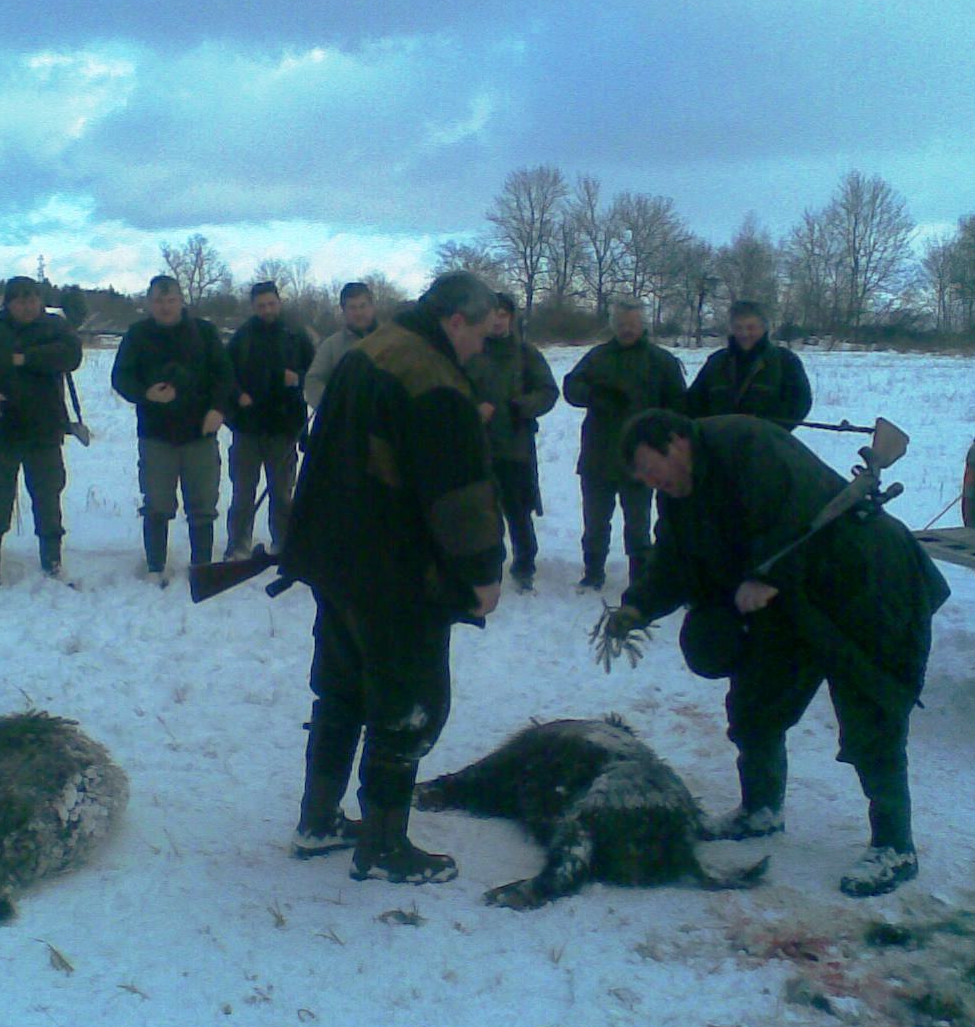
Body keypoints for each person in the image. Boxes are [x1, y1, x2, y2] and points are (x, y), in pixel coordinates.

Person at [604, 408, 949, 897]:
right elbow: (677, 558)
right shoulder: (679, 496)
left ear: (678, 442)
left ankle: (896, 846)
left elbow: (798, 509)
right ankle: (761, 810)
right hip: (794, 596)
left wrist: (766, 576)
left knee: (872, 716)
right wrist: (637, 606)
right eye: (639, 476)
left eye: (648, 467)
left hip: (862, 585)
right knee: (756, 701)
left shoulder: (747, 444)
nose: (647, 481)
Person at [280, 271, 504, 885]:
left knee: (343, 692)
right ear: (456, 320)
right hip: (394, 570)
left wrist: (303, 547)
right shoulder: (431, 377)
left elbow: (321, 446)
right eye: (482, 332)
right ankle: (382, 848)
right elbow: (458, 493)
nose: (483, 346)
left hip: (336, 557)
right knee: (406, 706)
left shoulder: (372, 349)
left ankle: (318, 820)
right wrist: (484, 572)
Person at [0, 277, 83, 582]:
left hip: (46, 428)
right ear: (8, 302)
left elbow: (72, 356)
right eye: (20, 301)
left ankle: (52, 561)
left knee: (48, 498)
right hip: (3, 429)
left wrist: (29, 358)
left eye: (33, 299)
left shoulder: (56, 326)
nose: (27, 306)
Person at [110, 275, 232, 578]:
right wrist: (145, 393)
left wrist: (218, 409)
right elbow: (121, 378)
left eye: (171, 300)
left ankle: (202, 566)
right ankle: (155, 567)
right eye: (158, 301)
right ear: (149, 303)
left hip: (199, 433)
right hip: (156, 434)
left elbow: (225, 376)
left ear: (181, 300)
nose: (165, 307)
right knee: (157, 503)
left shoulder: (204, 333)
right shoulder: (137, 335)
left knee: (203, 503)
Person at [561, 301, 686, 591]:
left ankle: (640, 578)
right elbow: (570, 388)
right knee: (594, 524)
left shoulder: (662, 361)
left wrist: (660, 436)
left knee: (639, 525)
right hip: (597, 456)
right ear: (612, 326)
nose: (627, 329)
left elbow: (679, 407)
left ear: (643, 325)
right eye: (621, 324)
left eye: (632, 323)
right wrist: (596, 394)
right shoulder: (597, 357)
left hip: (642, 462)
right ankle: (593, 572)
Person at [463, 291, 558, 590]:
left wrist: (523, 405)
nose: (498, 321)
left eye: (503, 314)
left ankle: (524, 564)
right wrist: (473, 408)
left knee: (518, 511)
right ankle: (487, 566)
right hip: (479, 448)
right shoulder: (470, 354)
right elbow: (452, 389)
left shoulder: (526, 354)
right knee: (481, 512)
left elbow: (548, 391)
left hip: (516, 447)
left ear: (511, 318)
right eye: (493, 314)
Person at [223, 281, 314, 558]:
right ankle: (238, 545)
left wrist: (297, 378)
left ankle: (284, 545)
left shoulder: (297, 337)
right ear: (253, 307)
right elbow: (225, 377)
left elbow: (314, 376)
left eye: (271, 303)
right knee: (242, 493)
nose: (267, 309)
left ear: (279, 302)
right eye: (261, 305)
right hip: (248, 428)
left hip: (285, 428)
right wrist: (238, 397)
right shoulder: (242, 338)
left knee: (283, 494)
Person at [686, 300, 811, 428]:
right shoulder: (716, 362)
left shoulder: (785, 361)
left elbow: (799, 404)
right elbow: (693, 403)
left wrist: (768, 431)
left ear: (763, 328)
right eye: (738, 328)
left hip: (765, 443)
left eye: (751, 328)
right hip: (718, 442)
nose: (744, 334)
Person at [303, 281, 379, 410]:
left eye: (363, 306)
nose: (359, 313)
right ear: (343, 311)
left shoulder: (391, 340)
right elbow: (313, 381)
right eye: (352, 308)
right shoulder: (331, 345)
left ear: (372, 307)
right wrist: (334, 406)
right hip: (348, 424)